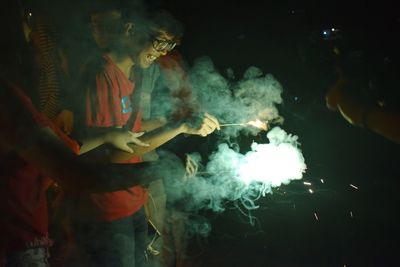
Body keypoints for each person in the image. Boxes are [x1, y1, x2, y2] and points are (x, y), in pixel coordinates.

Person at [0, 2, 174, 266]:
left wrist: (106, 136)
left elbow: (71, 148)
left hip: (33, 235)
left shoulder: (18, 96)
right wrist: (166, 167)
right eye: (27, 25)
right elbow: (78, 173)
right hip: (20, 242)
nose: (33, 37)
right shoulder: (9, 99)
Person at [69, 8, 220, 267]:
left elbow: (132, 132)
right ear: (131, 30)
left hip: (132, 201)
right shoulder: (102, 75)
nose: (161, 52)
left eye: (167, 47)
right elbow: (110, 154)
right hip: (106, 209)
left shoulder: (134, 72)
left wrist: (179, 123)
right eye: (158, 42)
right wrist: (178, 129)